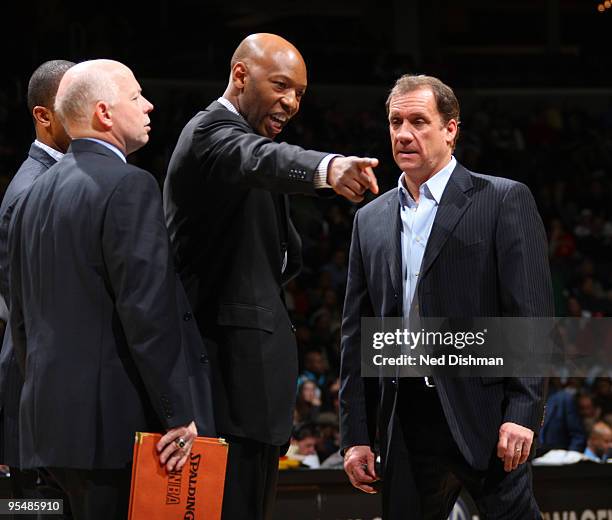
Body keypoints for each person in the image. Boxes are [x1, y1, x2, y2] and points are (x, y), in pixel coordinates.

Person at [163, 32, 379, 520]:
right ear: (241, 75)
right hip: (222, 388)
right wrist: (328, 167)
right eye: (282, 85)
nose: (292, 102)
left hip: (249, 392)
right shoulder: (209, 133)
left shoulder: (249, 141)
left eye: (300, 93)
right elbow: (261, 161)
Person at [340, 74, 553, 519]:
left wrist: (523, 409)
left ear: (451, 129)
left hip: (486, 415)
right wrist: (356, 433)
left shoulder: (502, 199)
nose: (403, 133)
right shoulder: (370, 219)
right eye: (396, 121)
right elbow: (357, 335)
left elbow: (530, 314)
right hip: (405, 421)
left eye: (419, 121)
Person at [7, 59, 214, 520]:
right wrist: (177, 414)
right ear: (104, 113)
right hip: (112, 433)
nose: (148, 105)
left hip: (48, 430)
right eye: (136, 96)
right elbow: (147, 313)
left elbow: (21, 321)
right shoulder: (129, 186)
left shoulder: (30, 195)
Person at [0, 59, 74, 513]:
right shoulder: (32, 190)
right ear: (43, 116)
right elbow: (32, 314)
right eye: (73, 105)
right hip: (37, 396)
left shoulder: (58, 180)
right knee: (39, 511)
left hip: (48, 392)